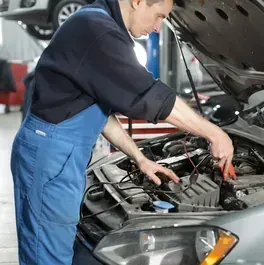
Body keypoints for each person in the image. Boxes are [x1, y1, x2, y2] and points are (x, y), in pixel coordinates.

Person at [9, 0, 234, 264]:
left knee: (56, 247)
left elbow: (99, 113)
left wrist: (140, 158)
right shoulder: (97, 30)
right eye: (159, 16)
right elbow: (151, 97)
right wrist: (214, 133)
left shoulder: (98, 24)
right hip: (51, 154)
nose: (158, 27)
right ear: (138, 1)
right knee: (46, 257)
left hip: (59, 151)